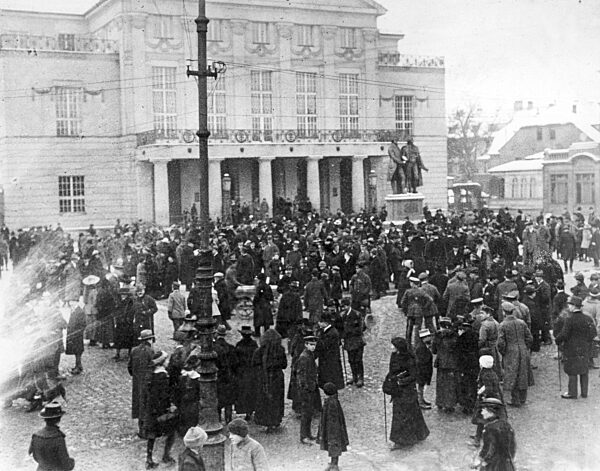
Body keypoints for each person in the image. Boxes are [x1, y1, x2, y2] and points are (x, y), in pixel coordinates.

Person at [383, 337, 429, 449]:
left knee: (403, 415)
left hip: (406, 391)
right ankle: (418, 434)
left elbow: (414, 375)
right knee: (410, 413)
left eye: (393, 346)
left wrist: (401, 381)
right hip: (397, 390)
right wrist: (389, 380)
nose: (391, 347)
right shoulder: (394, 356)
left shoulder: (409, 359)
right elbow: (392, 370)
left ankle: (402, 441)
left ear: (398, 348)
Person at [555, 295, 597, 399]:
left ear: (573, 306)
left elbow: (564, 334)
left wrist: (557, 340)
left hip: (571, 348)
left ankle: (572, 393)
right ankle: (584, 393)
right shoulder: (587, 318)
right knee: (584, 369)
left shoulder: (569, 319)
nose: (569, 307)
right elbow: (593, 333)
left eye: (570, 304)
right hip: (585, 347)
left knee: (572, 370)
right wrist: (586, 341)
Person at [145, 350, 177, 469]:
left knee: (151, 435)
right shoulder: (163, 376)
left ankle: (149, 459)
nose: (168, 362)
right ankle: (166, 455)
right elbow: (164, 395)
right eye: (166, 360)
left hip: (151, 409)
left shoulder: (152, 374)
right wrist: (169, 407)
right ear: (162, 362)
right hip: (161, 410)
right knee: (171, 432)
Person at [497, 302, 533, 407]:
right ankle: (523, 398)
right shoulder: (521, 322)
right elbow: (529, 338)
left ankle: (515, 399)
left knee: (513, 374)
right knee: (523, 373)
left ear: (504, 312)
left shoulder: (503, 325)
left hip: (510, 352)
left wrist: (503, 352)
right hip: (523, 350)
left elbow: (500, 342)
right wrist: (525, 347)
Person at [252, 328, 287, 432]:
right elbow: (284, 365)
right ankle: (276, 420)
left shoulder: (259, 350)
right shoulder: (280, 350)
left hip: (264, 378)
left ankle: (266, 422)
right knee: (277, 400)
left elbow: (253, 363)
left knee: (265, 400)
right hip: (277, 378)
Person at [472, 398, 516, 471]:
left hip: (493, 465)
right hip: (506, 463)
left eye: (484, 410)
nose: (482, 413)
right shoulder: (506, 425)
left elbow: (490, 448)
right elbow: (512, 446)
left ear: (491, 412)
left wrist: (483, 460)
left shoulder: (489, 429)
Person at [28, 402, 75, 471]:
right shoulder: (58, 438)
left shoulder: (36, 436)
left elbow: (34, 456)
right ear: (59, 419)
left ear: (45, 419)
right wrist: (72, 462)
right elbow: (65, 464)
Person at [128, 329, 155, 438]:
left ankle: (141, 429)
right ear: (149, 339)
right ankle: (146, 430)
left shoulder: (134, 350)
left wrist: (136, 375)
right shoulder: (150, 351)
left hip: (137, 381)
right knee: (147, 404)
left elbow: (129, 367)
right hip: (148, 381)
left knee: (139, 404)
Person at [318, 383, 349, 471]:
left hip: (333, 430)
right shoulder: (332, 401)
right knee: (332, 446)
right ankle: (332, 463)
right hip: (331, 429)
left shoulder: (332, 403)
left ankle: (335, 464)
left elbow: (333, 419)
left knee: (334, 445)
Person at [296, 335, 321, 444]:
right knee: (306, 413)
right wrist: (305, 388)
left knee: (309, 412)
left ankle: (308, 434)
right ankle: (304, 436)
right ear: (306, 345)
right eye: (311, 345)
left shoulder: (310, 355)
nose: (313, 347)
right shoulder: (304, 357)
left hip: (311, 387)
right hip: (306, 390)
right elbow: (301, 375)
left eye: (314, 345)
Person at [432, 317, 458, 412]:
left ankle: (440, 402)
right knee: (450, 384)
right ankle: (449, 404)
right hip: (451, 363)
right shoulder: (454, 336)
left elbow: (434, 350)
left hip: (440, 363)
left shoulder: (438, 336)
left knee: (440, 383)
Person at [213, 325, 239, 424]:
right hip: (229, 377)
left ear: (216, 334)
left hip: (218, 377)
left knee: (218, 399)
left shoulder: (213, 348)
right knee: (228, 400)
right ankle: (228, 419)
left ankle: (218, 420)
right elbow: (236, 363)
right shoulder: (231, 348)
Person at [340, 298, 366, 387]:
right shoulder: (343, 316)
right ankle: (354, 377)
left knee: (358, 360)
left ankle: (360, 378)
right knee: (351, 360)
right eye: (342, 307)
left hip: (357, 340)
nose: (343, 308)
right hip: (348, 342)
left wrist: (349, 331)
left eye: (345, 306)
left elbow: (361, 328)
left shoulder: (357, 314)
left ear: (348, 305)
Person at [235, 326, 259, 421]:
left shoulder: (239, 345)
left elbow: (236, 360)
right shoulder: (254, 345)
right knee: (252, 391)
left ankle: (246, 411)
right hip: (252, 371)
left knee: (243, 392)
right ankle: (251, 410)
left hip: (242, 372)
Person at [175, 355, 201, 438]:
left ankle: (183, 432)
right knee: (192, 417)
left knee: (184, 416)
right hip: (193, 401)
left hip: (183, 401)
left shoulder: (182, 376)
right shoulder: (196, 377)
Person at [65, 298, 86, 375]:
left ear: (76, 302)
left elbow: (83, 324)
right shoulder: (73, 310)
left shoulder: (79, 311)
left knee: (78, 351)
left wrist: (77, 332)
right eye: (70, 301)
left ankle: (78, 367)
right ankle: (78, 366)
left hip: (77, 335)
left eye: (72, 301)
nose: (70, 303)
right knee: (76, 350)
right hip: (73, 334)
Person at [414, 328, 434, 409]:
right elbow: (422, 360)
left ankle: (421, 400)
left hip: (423, 370)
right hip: (421, 370)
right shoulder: (421, 348)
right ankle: (420, 402)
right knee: (420, 387)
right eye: (428, 336)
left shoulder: (423, 345)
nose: (430, 337)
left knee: (421, 387)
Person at [253, 273, 274, 337]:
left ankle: (257, 333)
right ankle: (266, 333)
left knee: (257, 320)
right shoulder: (268, 286)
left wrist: (254, 303)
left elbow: (257, 296)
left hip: (259, 305)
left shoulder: (259, 286)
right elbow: (271, 297)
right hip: (267, 305)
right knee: (266, 320)